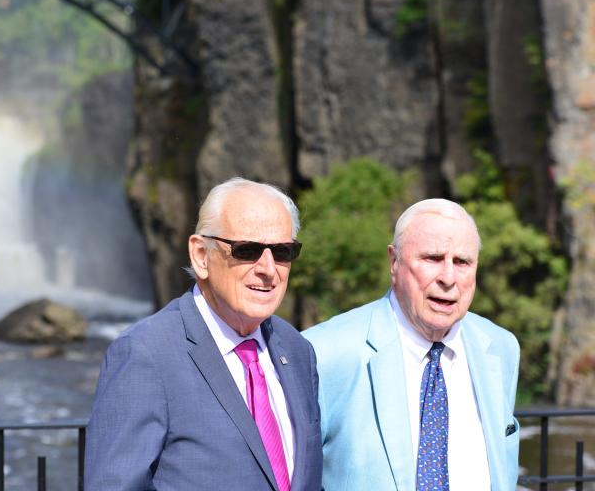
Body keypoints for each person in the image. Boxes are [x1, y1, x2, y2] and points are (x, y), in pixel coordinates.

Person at [86, 177, 322, 491]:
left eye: (282, 252)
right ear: (200, 255)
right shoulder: (146, 353)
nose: (268, 268)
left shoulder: (297, 350)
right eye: (247, 250)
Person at [303, 198, 520, 490]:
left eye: (462, 262)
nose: (448, 277)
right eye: (432, 258)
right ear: (394, 262)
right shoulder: (322, 352)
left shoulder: (500, 348)